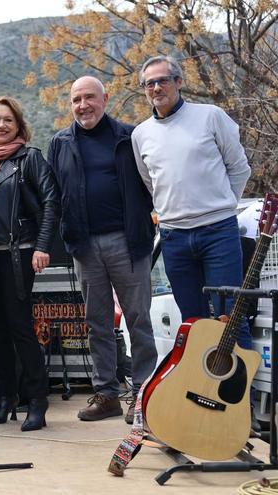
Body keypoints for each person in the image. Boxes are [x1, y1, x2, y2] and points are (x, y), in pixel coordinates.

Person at [48, 76, 157, 425]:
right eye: (76, 99)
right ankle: (107, 394)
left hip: (129, 241)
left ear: (105, 98)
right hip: (85, 245)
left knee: (138, 318)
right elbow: (54, 193)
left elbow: (152, 183)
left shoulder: (130, 137)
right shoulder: (60, 142)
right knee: (97, 323)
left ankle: (143, 395)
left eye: (90, 98)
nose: (83, 105)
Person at [132, 55, 251, 347]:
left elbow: (239, 167)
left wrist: (220, 205)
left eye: (162, 80)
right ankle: (201, 391)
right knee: (193, 326)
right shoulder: (140, 135)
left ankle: (241, 393)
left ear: (179, 82)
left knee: (230, 321)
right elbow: (151, 183)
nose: (156, 88)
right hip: (174, 239)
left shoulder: (211, 116)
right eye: (149, 83)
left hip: (218, 234)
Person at [0, 96, 58, 432]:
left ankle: (36, 400)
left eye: (7, 120)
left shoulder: (29, 158)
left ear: (18, 124)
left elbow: (51, 202)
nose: (1, 125)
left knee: (21, 328)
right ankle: (5, 398)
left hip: (17, 251)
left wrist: (42, 246)